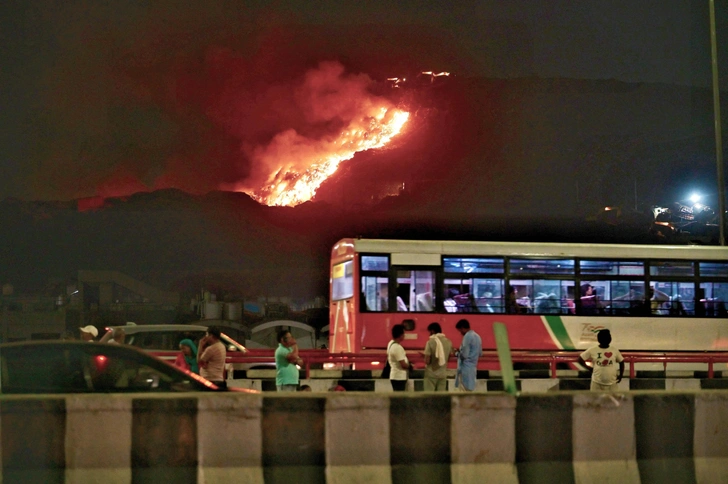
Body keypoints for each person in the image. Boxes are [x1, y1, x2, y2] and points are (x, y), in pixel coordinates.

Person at [422, 322, 452, 391]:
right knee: (441, 397)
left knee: (429, 397)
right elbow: (447, 358)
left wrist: (424, 356)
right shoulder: (448, 342)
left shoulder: (430, 342)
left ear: (432, 331)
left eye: (429, 332)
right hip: (443, 374)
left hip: (431, 374)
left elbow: (427, 360)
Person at [454, 319, 481, 392]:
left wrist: (456, 353)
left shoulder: (467, 336)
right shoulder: (478, 336)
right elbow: (480, 353)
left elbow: (464, 355)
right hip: (473, 369)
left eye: (460, 330)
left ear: (462, 328)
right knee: (470, 392)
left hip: (465, 369)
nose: (460, 333)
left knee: (463, 393)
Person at [387, 324, 410, 391]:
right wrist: (409, 366)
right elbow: (403, 364)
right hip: (399, 377)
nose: (404, 335)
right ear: (400, 335)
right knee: (400, 398)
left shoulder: (390, 343)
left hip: (395, 375)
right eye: (403, 334)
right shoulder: (397, 348)